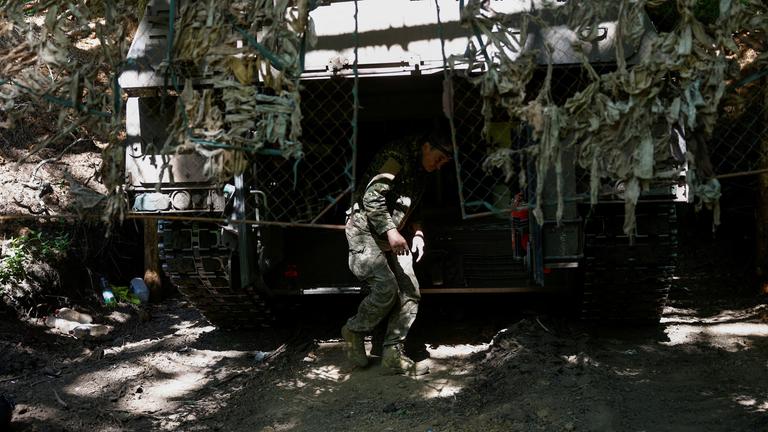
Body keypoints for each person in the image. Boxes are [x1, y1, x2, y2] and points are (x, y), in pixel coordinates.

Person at [341, 120, 453, 376]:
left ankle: (392, 353)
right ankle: (354, 330)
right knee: (386, 289)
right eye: (439, 159)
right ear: (427, 146)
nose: (439, 166)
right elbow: (372, 197)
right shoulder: (397, 156)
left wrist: (418, 232)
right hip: (365, 230)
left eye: (444, 163)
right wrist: (391, 232)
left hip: (393, 234)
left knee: (410, 291)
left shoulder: (421, 169)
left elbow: (414, 204)